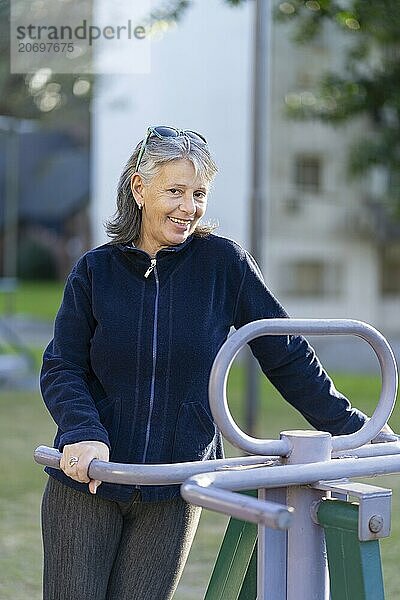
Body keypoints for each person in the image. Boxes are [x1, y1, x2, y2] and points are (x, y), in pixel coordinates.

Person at [40, 125, 396, 600]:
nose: (189, 208)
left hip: (172, 485)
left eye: (199, 194)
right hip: (89, 481)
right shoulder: (95, 271)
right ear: (139, 188)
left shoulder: (223, 264)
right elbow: (63, 365)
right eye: (175, 192)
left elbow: (286, 353)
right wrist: (82, 431)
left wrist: (360, 428)